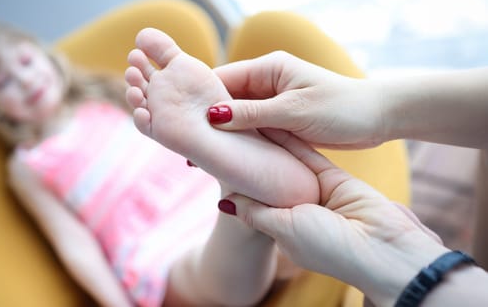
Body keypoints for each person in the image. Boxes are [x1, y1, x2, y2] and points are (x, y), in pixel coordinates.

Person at [0, 22, 319, 307]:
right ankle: (248, 200)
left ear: (45, 56)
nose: (25, 80)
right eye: (3, 82)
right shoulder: (29, 164)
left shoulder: (104, 94)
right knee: (220, 261)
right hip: (159, 253)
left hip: (202, 197)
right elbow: (75, 244)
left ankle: (254, 204)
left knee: (272, 241)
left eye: (25, 61)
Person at [124, 28, 488, 306]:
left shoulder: (120, 99)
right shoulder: (65, 171)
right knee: (179, 270)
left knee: (199, 273)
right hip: (142, 231)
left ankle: (246, 196)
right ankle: (245, 198)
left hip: (188, 194)